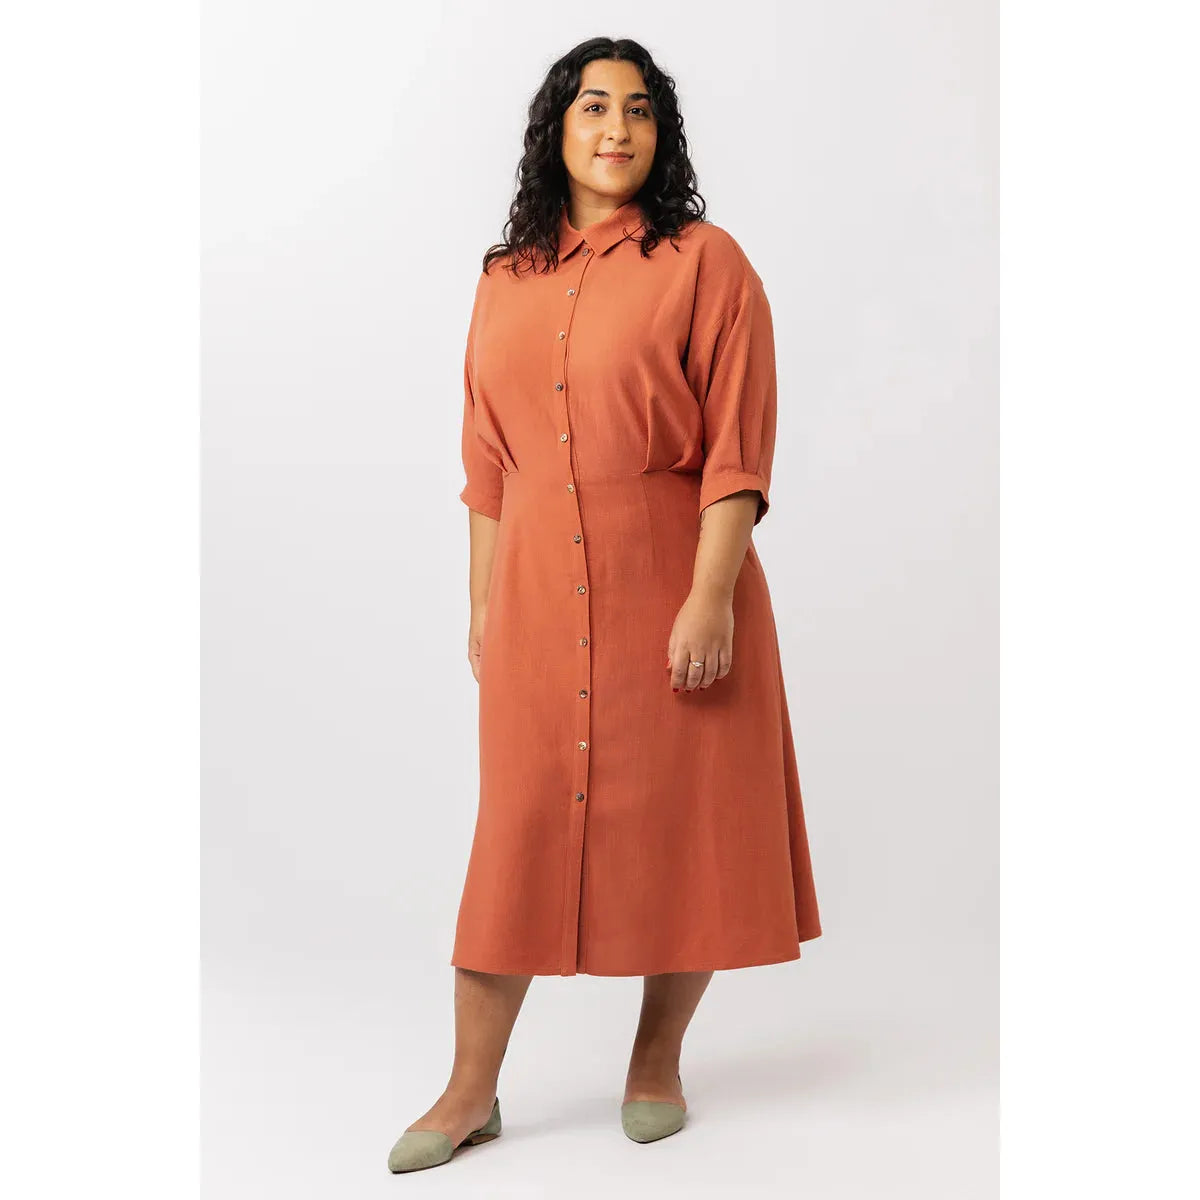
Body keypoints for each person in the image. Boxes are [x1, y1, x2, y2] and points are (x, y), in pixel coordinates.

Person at [388, 37, 821, 1174]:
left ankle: (656, 1061)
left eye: (638, 109)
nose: (616, 128)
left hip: (675, 584)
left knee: (685, 833)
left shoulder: (706, 263)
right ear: (558, 129)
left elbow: (737, 452)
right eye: (593, 107)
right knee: (516, 838)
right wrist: (485, 609)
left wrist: (711, 597)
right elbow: (487, 464)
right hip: (537, 597)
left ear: (660, 133)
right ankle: (469, 1090)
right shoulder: (504, 278)